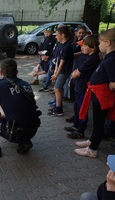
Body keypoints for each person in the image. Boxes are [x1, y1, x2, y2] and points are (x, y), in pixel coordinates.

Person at [0, 58, 41, 157]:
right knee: (19, 120)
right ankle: (24, 142)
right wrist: (4, 117)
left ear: (1, 72)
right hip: (33, 129)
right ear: (17, 72)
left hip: (16, 133)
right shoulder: (25, 84)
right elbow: (23, 109)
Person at [74, 28, 115, 158]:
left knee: (98, 123)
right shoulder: (108, 57)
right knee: (97, 122)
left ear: (108, 43)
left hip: (102, 96)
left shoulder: (111, 59)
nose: (99, 46)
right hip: (97, 94)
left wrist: (111, 84)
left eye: (100, 43)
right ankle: (92, 140)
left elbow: (113, 82)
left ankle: (92, 149)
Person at [64, 35, 101, 139]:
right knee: (76, 107)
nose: (82, 47)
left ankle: (81, 130)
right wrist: (73, 76)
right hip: (78, 85)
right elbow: (76, 71)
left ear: (93, 47)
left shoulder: (93, 58)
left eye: (84, 46)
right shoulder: (86, 56)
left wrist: (74, 74)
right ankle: (76, 125)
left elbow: (77, 72)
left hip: (84, 87)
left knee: (82, 109)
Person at [48, 26, 74, 116]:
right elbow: (59, 59)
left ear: (62, 35)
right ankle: (59, 105)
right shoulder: (61, 45)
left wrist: (56, 74)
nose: (56, 37)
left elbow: (62, 62)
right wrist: (55, 72)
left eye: (57, 35)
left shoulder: (67, 47)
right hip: (60, 71)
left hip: (64, 71)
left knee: (56, 88)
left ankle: (59, 110)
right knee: (59, 88)